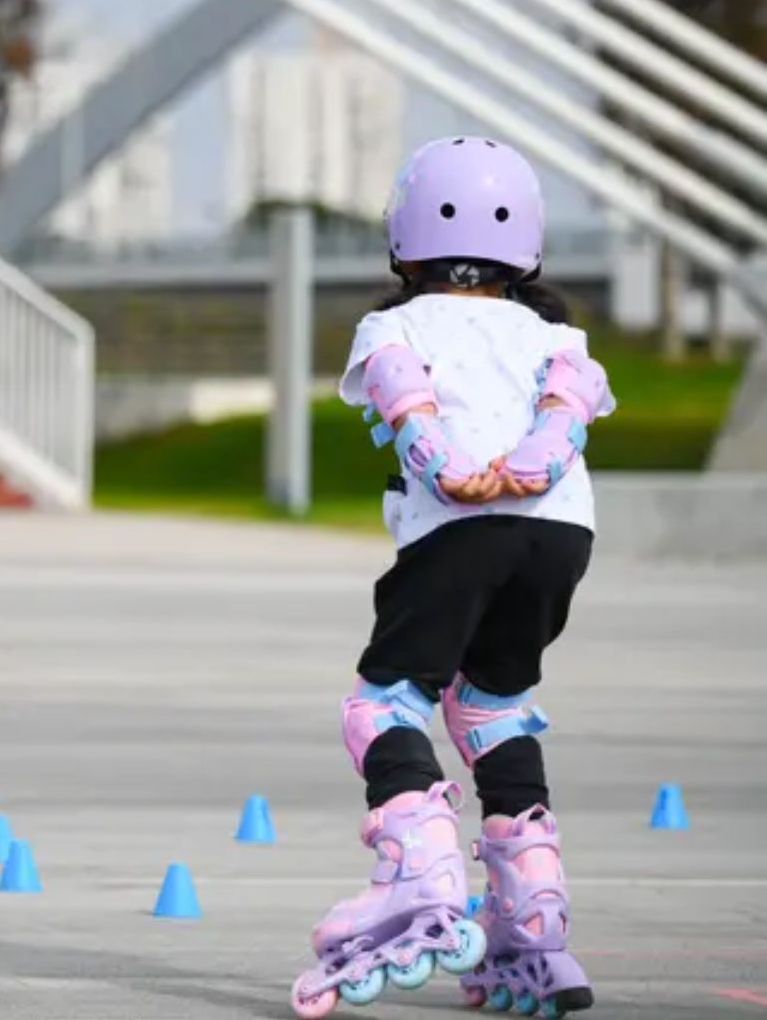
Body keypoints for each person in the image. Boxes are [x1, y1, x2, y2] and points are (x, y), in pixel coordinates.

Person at [291, 137, 610, 1019]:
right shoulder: (558, 334)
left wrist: (452, 468)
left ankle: (421, 875)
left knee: (384, 704)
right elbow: (566, 418)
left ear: (403, 243)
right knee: (491, 707)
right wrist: (531, 469)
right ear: (530, 247)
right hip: (560, 537)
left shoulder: (392, 325)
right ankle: (532, 918)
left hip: (461, 529)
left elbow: (407, 403)